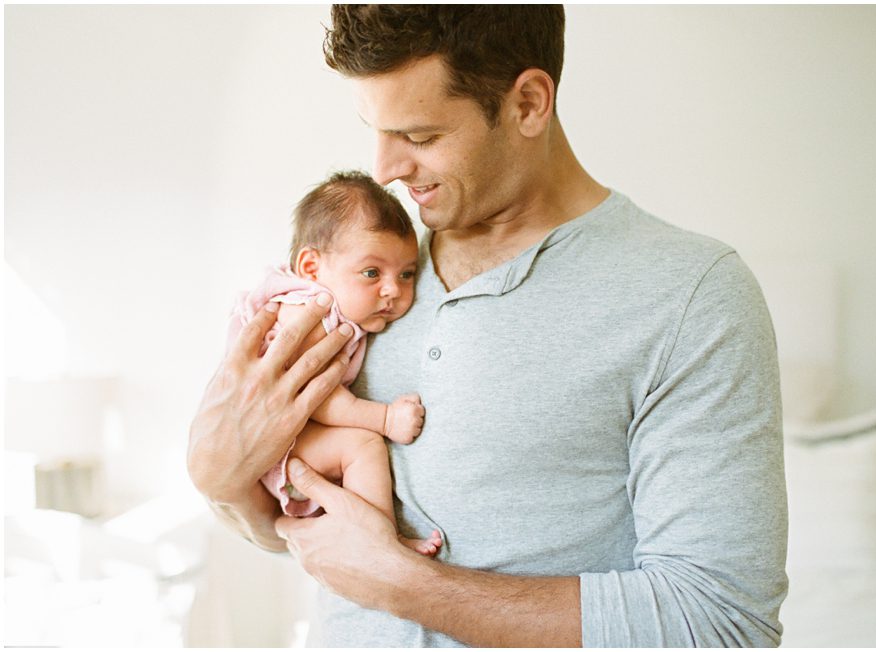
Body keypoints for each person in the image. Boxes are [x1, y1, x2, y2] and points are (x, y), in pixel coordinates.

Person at [188, 4, 788, 647]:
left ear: (529, 103)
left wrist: (405, 584)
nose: (386, 168)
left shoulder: (690, 297)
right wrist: (218, 481)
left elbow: (722, 621)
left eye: (419, 137)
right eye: (376, 130)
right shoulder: (367, 280)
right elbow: (296, 528)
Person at [227, 170, 441, 555]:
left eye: (407, 273)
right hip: (275, 446)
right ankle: (381, 546)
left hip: (288, 439)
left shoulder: (333, 309)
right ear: (312, 268)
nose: (393, 289)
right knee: (363, 444)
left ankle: (377, 540)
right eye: (372, 273)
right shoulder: (307, 314)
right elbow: (312, 395)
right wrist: (385, 419)